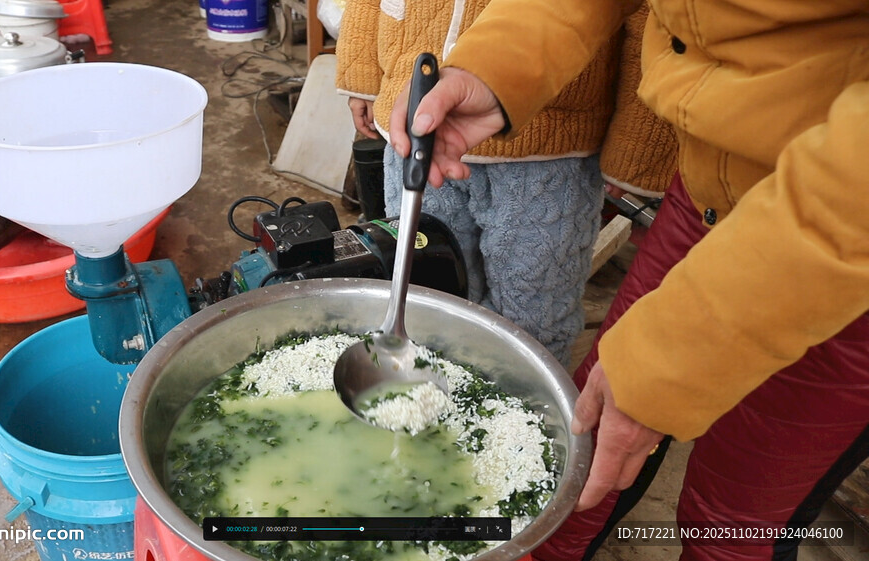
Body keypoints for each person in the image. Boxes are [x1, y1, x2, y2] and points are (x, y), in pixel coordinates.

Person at [388, 1, 869, 560]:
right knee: (582, 456)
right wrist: (495, 67)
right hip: (712, 185)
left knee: (735, 526)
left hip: (844, 241)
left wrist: (669, 357)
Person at [335, 0, 676, 368]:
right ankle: (425, 393)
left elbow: (655, 17)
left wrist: (635, 152)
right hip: (416, 124)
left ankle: (523, 413)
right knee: (427, 290)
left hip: (551, 149)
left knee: (533, 313)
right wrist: (363, 76)